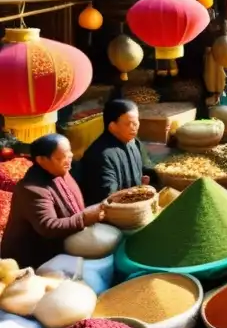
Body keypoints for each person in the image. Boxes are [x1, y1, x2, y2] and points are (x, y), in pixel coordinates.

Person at [1, 135, 105, 268]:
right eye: (61, 157)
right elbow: (49, 227)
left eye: (69, 153)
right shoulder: (32, 189)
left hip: (61, 247)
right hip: (30, 262)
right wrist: (84, 219)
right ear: (42, 160)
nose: (69, 159)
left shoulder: (61, 171)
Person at [78, 99, 155, 206]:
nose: (134, 127)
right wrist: (136, 191)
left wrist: (142, 184)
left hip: (136, 205)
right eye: (129, 124)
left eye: (136, 122)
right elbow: (107, 197)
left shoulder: (134, 142)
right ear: (112, 126)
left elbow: (146, 167)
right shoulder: (101, 154)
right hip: (112, 212)